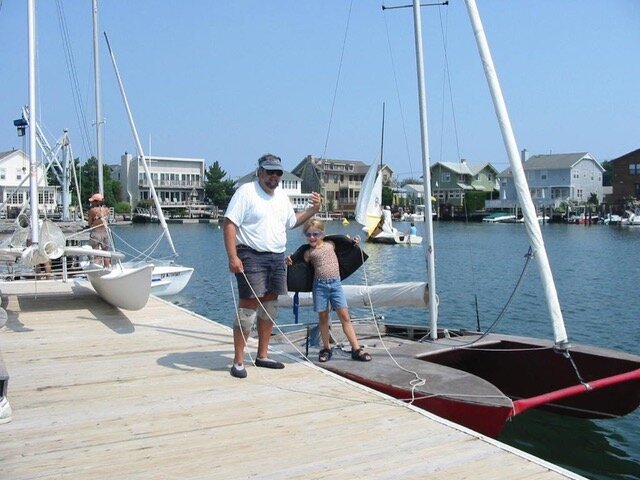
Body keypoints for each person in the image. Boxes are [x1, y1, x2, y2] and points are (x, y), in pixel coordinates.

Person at [224, 154, 321, 379]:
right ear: (259, 172)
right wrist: (232, 257)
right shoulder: (246, 192)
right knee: (248, 309)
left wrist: (312, 211)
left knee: (270, 307)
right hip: (250, 255)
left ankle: (262, 355)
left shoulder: (282, 197)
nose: (274, 177)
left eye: (278, 173)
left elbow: (291, 222)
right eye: (269, 172)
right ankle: (238, 360)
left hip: (277, 257)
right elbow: (229, 224)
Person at [288, 219, 371, 363]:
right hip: (320, 286)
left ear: (322, 233)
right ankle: (326, 348)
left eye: (315, 234)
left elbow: (347, 247)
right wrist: (290, 261)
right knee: (323, 318)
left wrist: (354, 242)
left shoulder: (331, 244)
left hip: (336, 285)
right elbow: (299, 265)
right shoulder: (308, 252)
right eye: (308, 235)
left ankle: (356, 348)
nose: (312, 237)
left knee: (345, 316)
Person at [87, 193, 112, 268]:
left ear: (97, 201)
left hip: (96, 233)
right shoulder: (106, 210)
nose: (91, 203)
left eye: (93, 201)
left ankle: (97, 269)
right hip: (105, 233)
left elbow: (90, 223)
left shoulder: (92, 210)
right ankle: (107, 267)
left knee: (96, 252)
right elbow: (108, 221)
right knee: (106, 253)